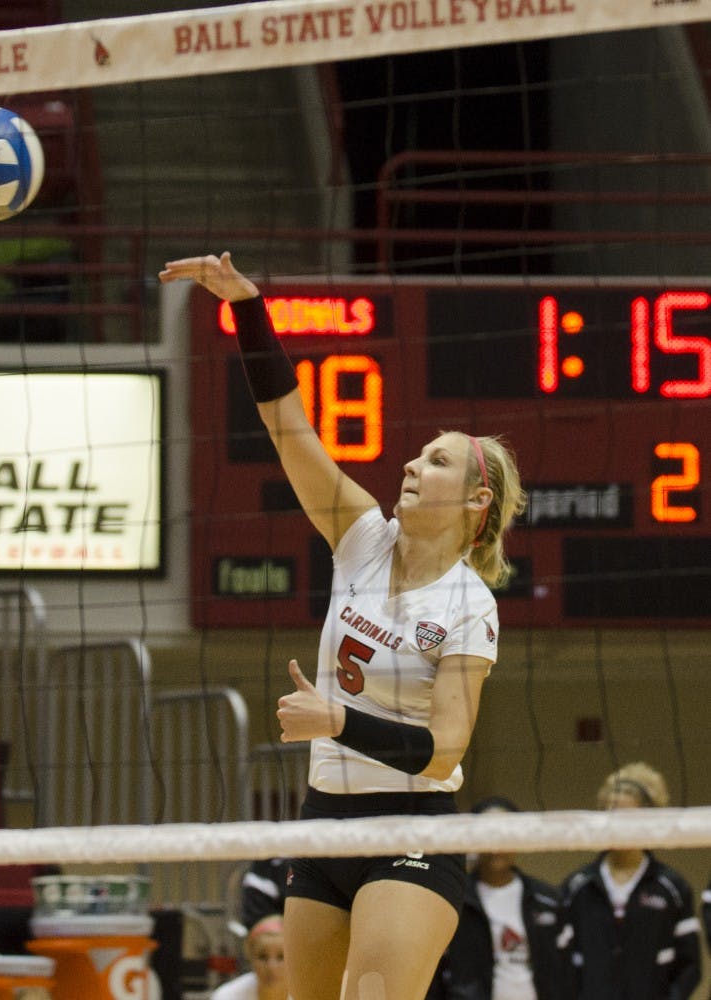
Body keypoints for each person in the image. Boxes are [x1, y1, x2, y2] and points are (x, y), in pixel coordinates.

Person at [159, 252, 526, 1000]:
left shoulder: (467, 603)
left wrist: (337, 719)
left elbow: (444, 750)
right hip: (323, 819)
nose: (413, 465)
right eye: (418, 454)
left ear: (474, 502)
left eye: (438, 461)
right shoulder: (362, 537)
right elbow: (287, 427)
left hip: (413, 827)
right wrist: (246, 308)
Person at [556, 762, 701, 1000]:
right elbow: (560, 964)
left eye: (628, 818)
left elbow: (689, 966)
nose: (620, 827)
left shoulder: (672, 888)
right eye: (612, 818)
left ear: (649, 819)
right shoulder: (577, 887)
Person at [430, 796, 560, 1000]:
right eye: (488, 833)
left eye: (504, 834)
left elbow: (562, 973)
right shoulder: (452, 899)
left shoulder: (547, 899)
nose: (496, 845)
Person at [213, 914, 289, 1000]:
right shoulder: (226, 996)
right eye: (262, 957)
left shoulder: (305, 994)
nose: (271, 967)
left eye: (281, 957)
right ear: (250, 957)